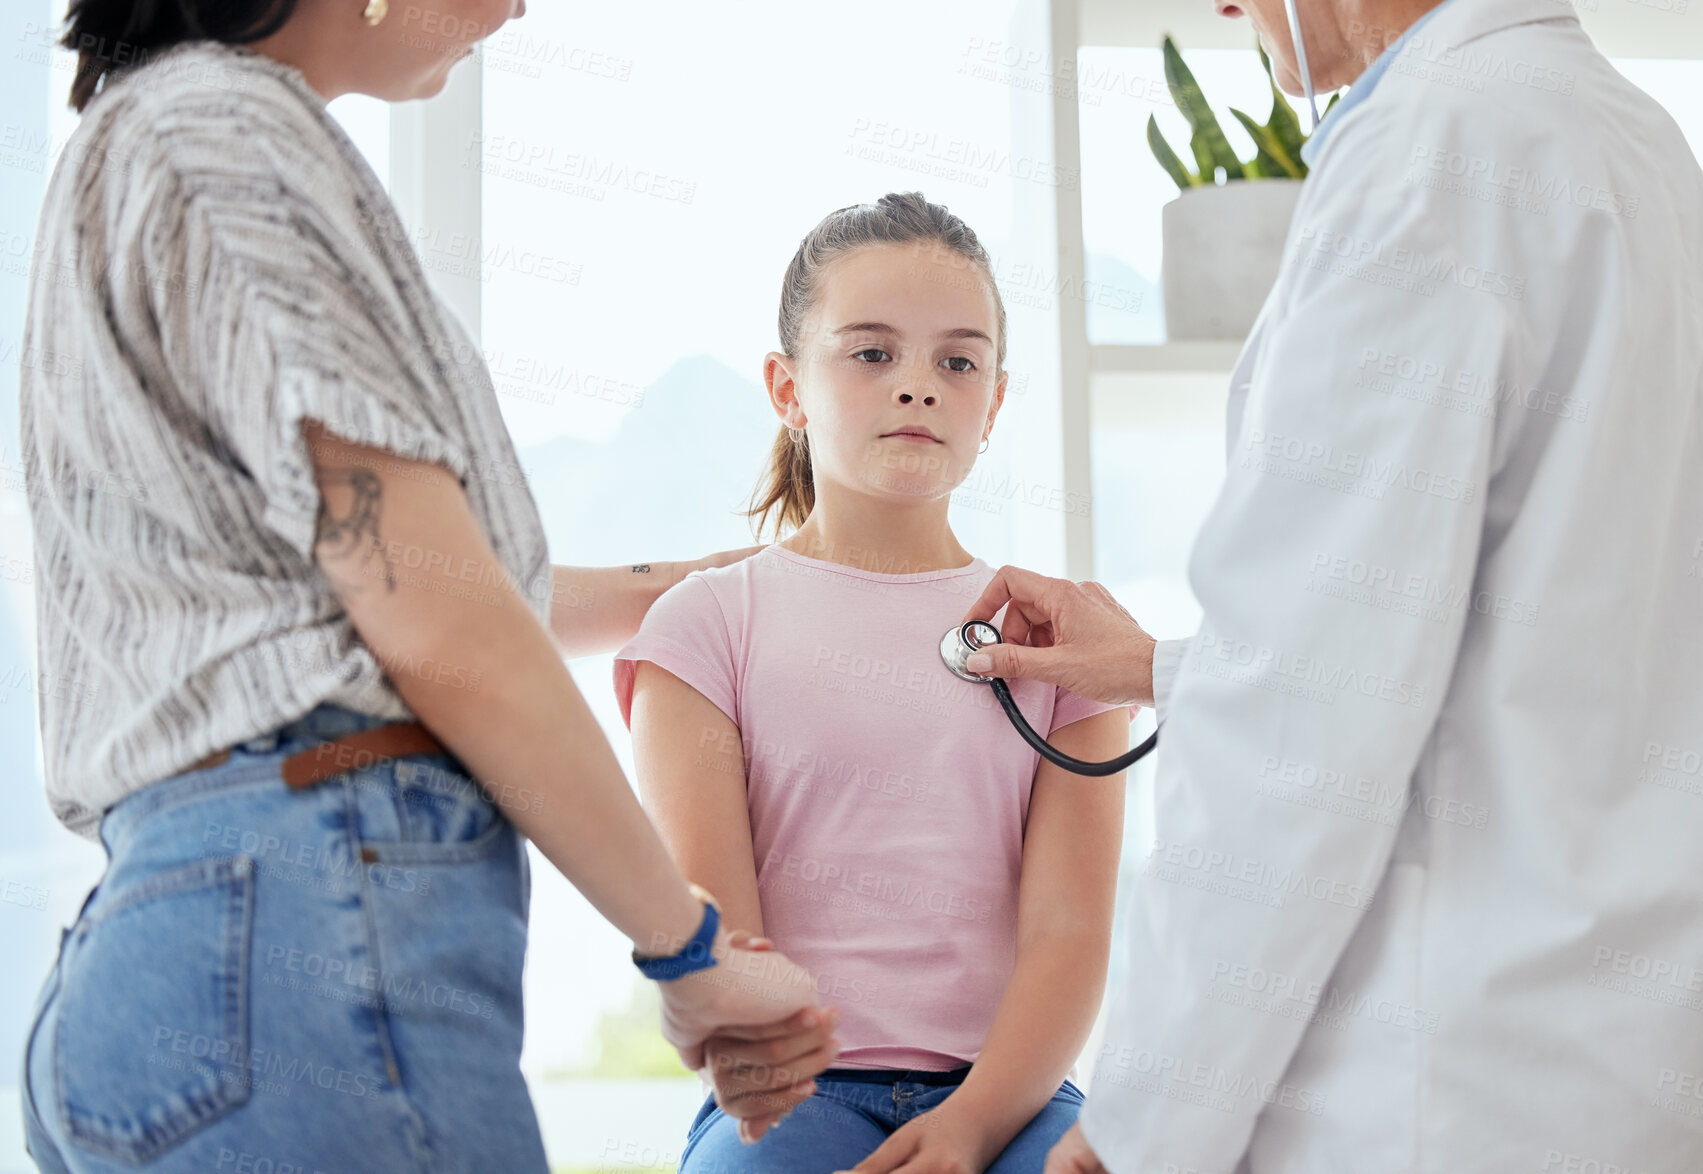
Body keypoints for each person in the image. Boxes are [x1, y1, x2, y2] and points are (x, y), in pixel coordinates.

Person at [16, 3, 830, 1171]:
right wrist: (686, 948)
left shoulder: (138, 145)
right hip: (306, 938)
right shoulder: (228, 138)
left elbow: (397, 588)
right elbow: (438, 627)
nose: (516, 8)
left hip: (179, 960)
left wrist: (699, 585)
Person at [957, 1, 1703, 1171]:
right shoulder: (1639, 145)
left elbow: (1297, 728)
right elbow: (1549, 628)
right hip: (1624, 1071)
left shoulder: (1429, 153)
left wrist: (1137, 1126)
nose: (1222, 4)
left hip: (1438, 1089)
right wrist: (1157, 667)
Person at [612, 192, 1136, 1172]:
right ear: (785, 387)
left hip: (1012, 1092)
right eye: (869, 353)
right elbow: (720, 936)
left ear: (995, 398)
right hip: (787, 1095)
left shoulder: (1066, 640)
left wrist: (975, 1123)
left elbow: (1069, 931)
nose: (917, 387)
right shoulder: (705, 624)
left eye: (956, 360)